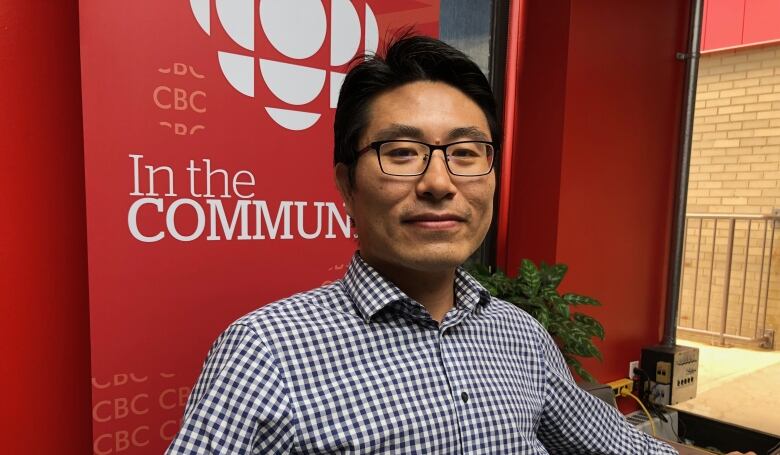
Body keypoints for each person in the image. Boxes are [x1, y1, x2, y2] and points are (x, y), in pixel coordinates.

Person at [166, 34, 679, 454]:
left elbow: (613, 444)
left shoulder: (520, 337)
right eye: (404, 151)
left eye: (466, 151)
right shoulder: (266, 352)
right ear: (347, 184)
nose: (439, 182)